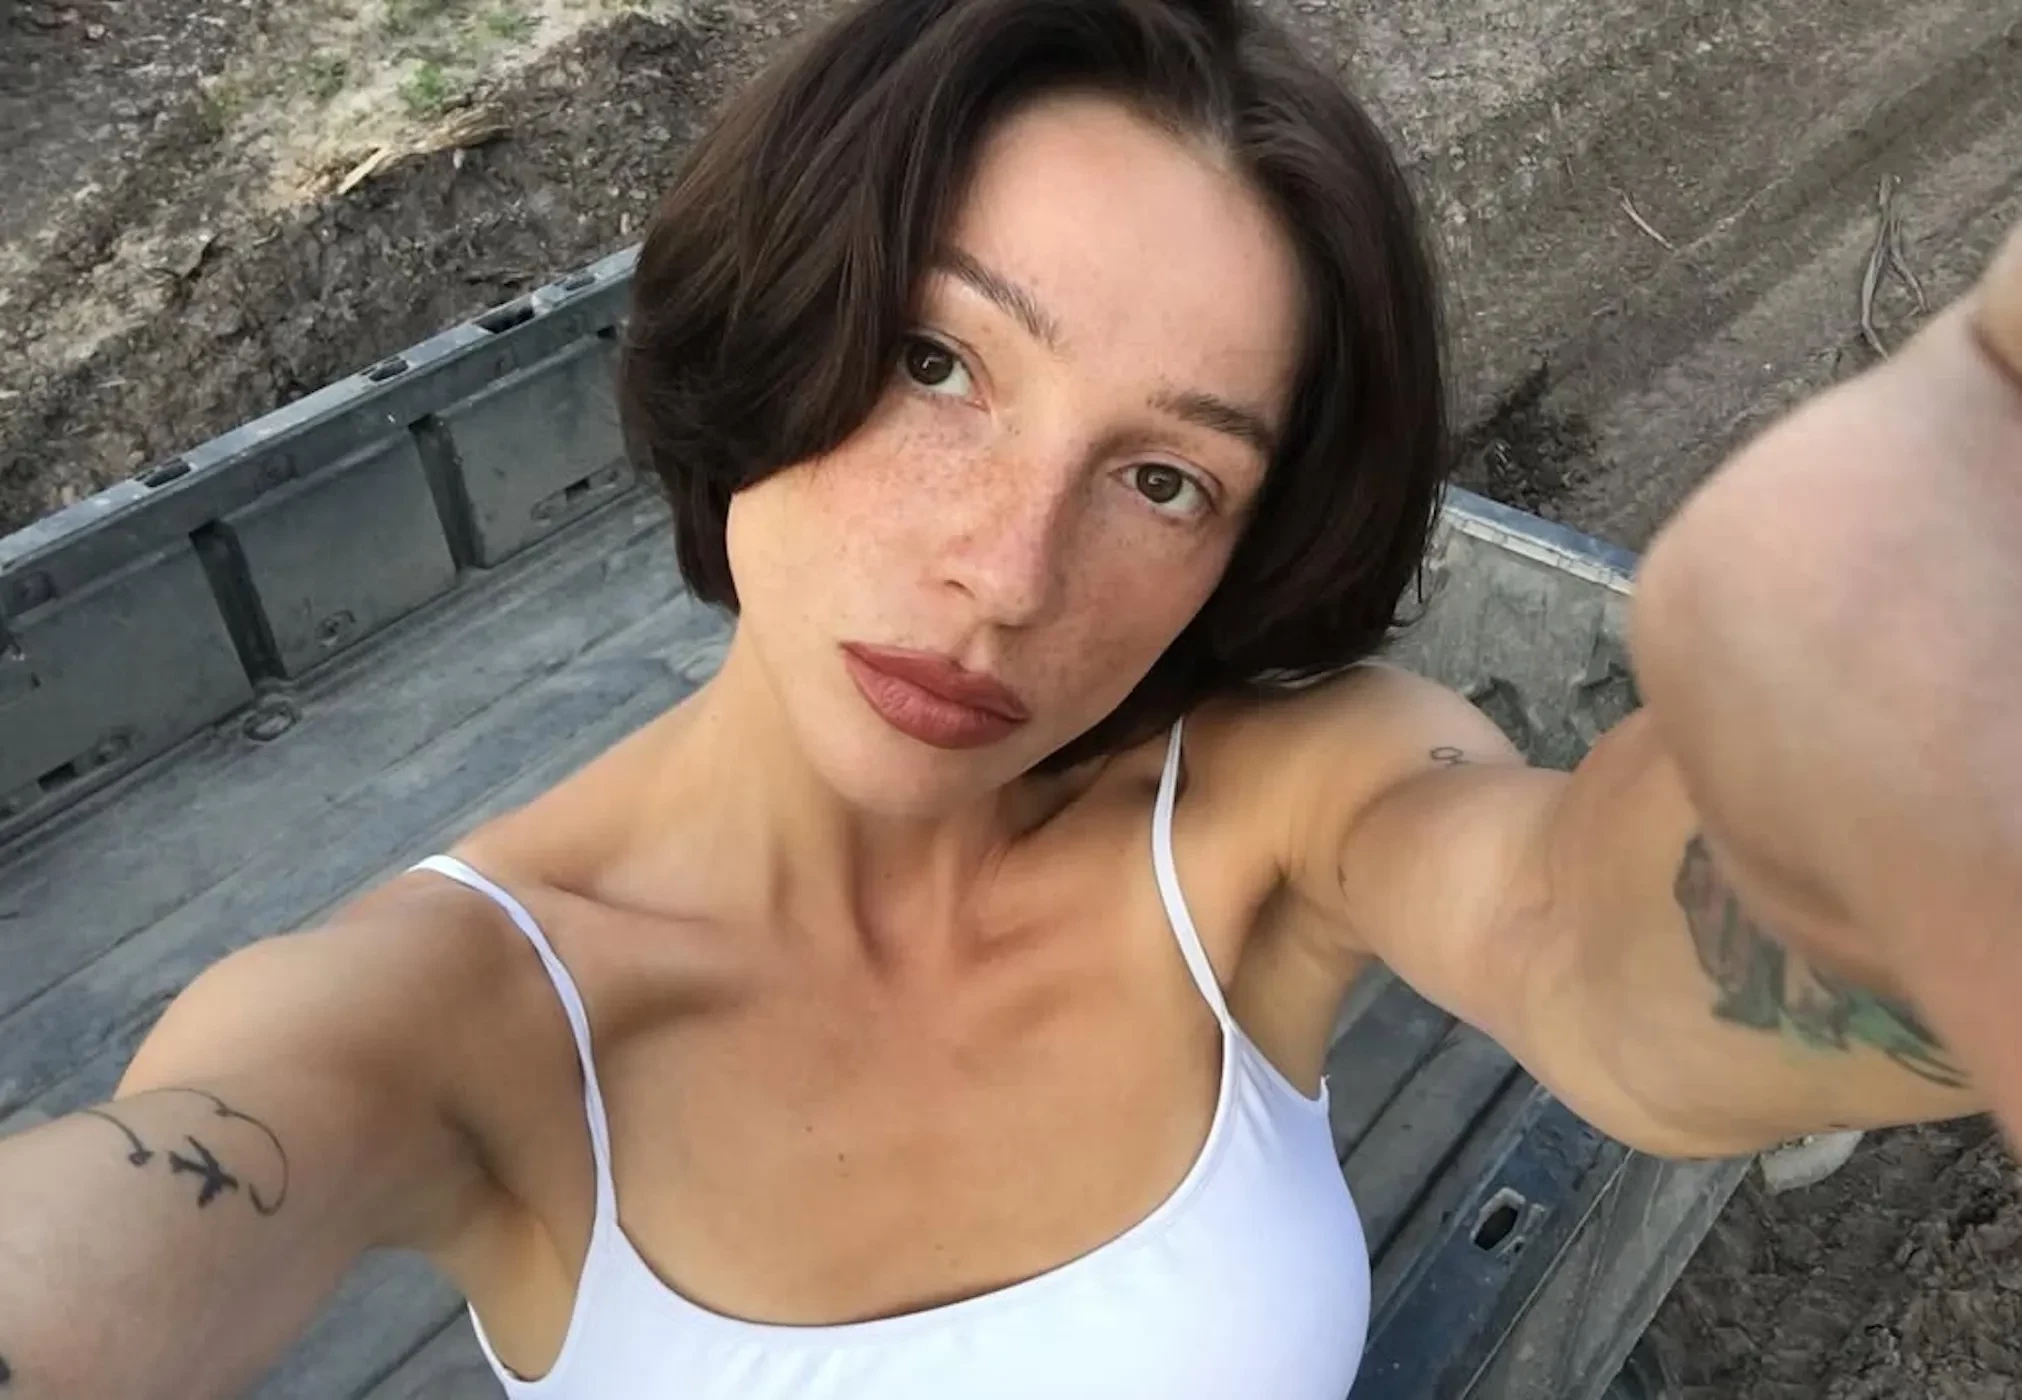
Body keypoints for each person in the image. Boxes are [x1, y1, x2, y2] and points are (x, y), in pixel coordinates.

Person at [4, 0, 2019, 1395]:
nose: (1009, 574)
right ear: (777, 308)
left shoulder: (1276, 804)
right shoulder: (433, 1022)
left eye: (1166, 479)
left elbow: (1605, 950)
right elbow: (126, 1238)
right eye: (937, 362)